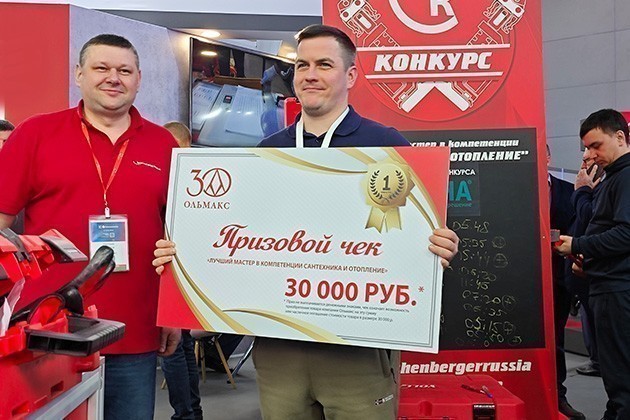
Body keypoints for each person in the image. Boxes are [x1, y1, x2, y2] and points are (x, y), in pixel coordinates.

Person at [154, 24, 459, 420]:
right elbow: (236, 238)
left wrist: (440, 245)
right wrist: (185, 253)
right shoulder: (266, 151)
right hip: (279, 349)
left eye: (324, 65)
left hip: (357, 351)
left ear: (351, 75)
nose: (310, 74)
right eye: (302, 65)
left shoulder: (389, 147)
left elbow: (421, 234)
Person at [0, 34, 180, 419]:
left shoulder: (164, 144)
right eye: (101, 68)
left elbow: (177, 237)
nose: (113, 78)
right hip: (49, 332)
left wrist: (174, 313)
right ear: (79, 74)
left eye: (124, 71)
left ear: (138, 79)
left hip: (135, 329)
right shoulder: (34, 134)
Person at [555, 109, 630, 420]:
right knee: (615, 375)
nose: (589, 154)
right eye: (586, 148)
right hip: (605, 285)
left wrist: (579, 245)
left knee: (621, 376)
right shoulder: (613, 178)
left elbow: (626, 234)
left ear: (620, 137)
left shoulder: (625, 177)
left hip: (617, 292)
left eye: (595, 145)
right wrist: (589, 262)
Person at [161, 121, 203, 420]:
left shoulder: (174, 177)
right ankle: (191, 412)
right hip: (186, 270)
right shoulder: (191, 174)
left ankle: (186, 414)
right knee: (183, 345)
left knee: (174, 348)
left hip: (171, 269)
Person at [547, 145, 584, 420]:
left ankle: (558, 397)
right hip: (522, 277)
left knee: (557, 340)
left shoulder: (567, 190)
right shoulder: (515, 188)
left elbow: (577, 228)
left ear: (548, 156)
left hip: (559, 277)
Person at [570, 155, 602, 377]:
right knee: (589, 317)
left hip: (596, 269)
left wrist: (582, 191)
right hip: (582, 267)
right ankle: (597, 360)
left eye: (588, 160)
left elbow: (589, 217)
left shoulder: (604, 188)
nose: (583, 165)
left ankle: (600, 362)